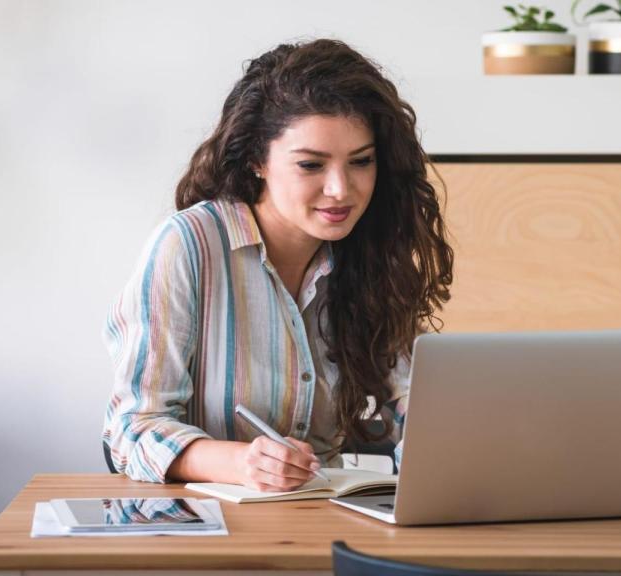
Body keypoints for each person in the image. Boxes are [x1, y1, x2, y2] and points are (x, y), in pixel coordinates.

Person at [102, 39, 454, 491]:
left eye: (361, 162)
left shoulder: (369, 251)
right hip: (205, 527)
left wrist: (456, 442)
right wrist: (241, 463)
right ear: (256, 161)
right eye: (311, 165)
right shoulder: (189, 244)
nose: (340, 190)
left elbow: (415, 403)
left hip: (319, 517)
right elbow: (134, 427)